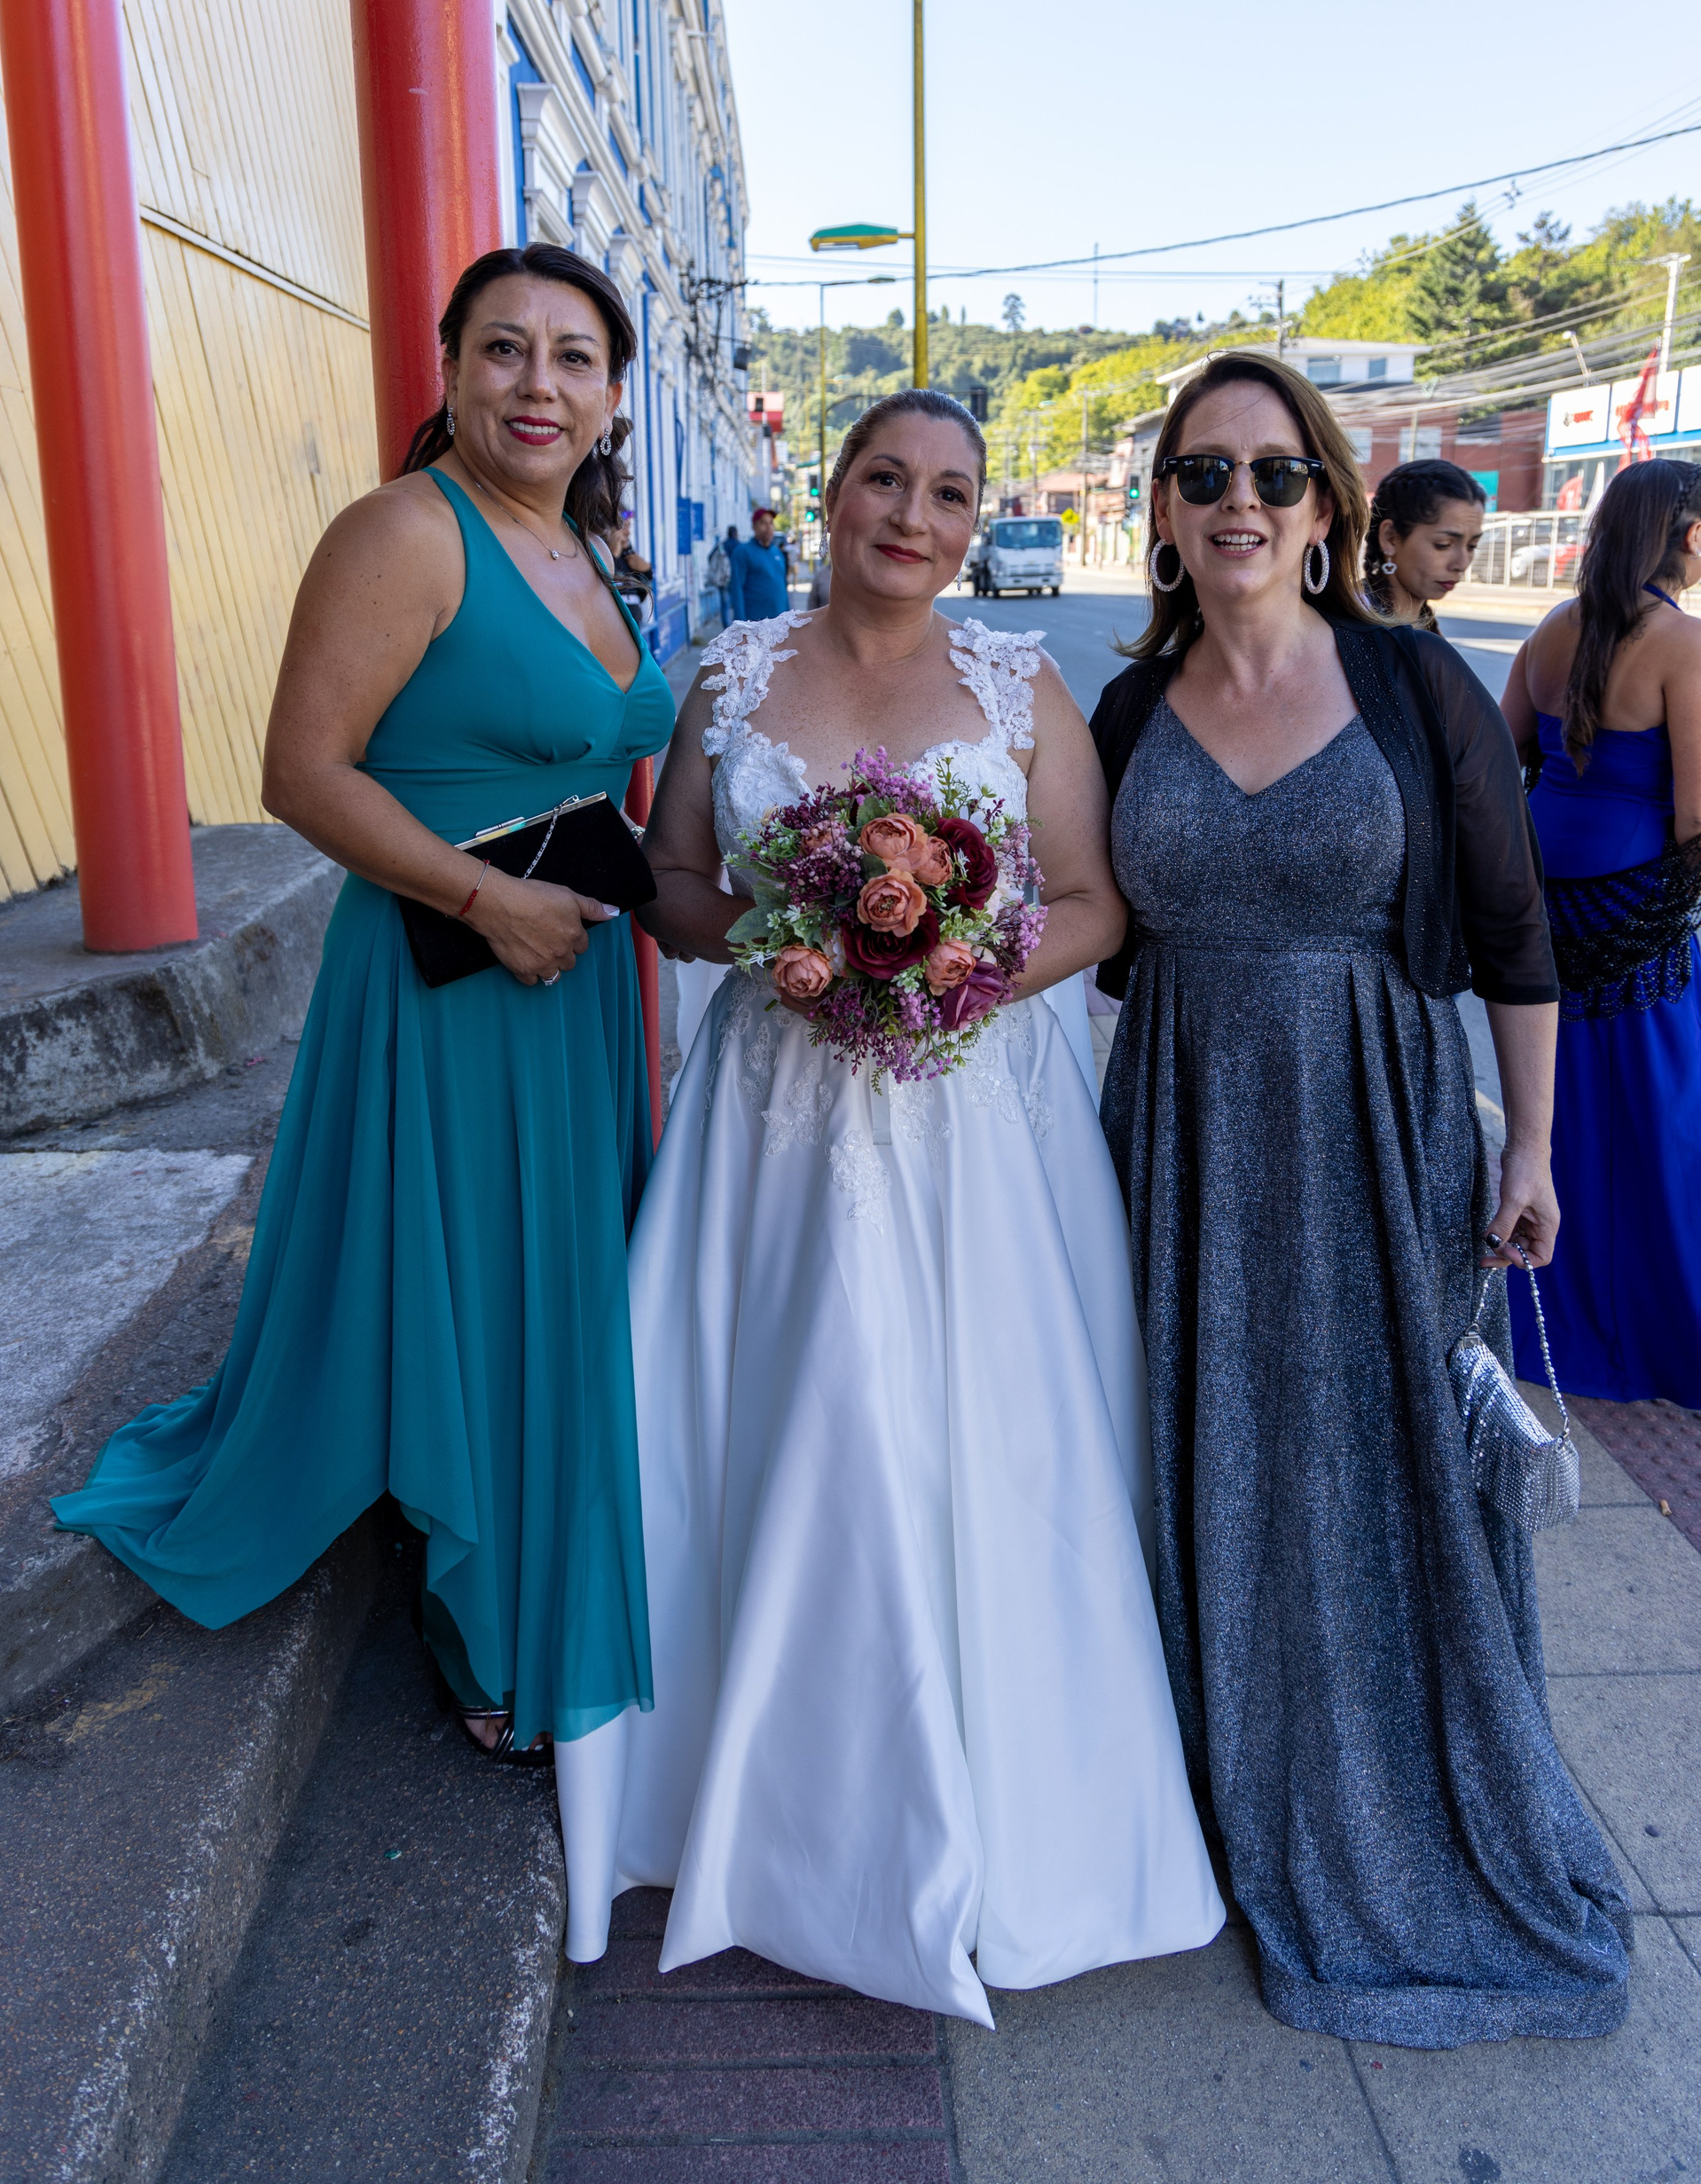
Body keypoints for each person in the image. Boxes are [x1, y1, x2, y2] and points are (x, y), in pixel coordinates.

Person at [52, 246, 676, 1960]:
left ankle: (551, 1558)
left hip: (576, 987)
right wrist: (490, 901)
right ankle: (490, 1619)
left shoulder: (585, 548)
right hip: (451, 978)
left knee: (557, 1294)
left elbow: (595, 766)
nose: (538, 383)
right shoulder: (406, 531)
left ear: (612, 392)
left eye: (573, 356)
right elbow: (299, 769)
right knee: (479, 1289)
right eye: (505, 350)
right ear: (451, 367)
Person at [602, 388, 1224, 2023]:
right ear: (831, 491)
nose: (916, 516)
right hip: (772, 1114)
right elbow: (673, 881)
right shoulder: (732, 673)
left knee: (986, 1434)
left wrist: (949, 974)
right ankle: (764, 1785)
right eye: (887, 478)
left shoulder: (1021, 683)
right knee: (767, 1408)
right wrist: (784, 938)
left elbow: (1089, 902)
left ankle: (1007, 1790)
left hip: (973, 1122)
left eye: (952, 493)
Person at [1090, 348, 1629, 2047]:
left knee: (1378, 1459)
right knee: (1204, 1450)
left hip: (1381, 1126)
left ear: (1325, 501)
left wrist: (1530, 1148)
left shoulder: (1409, 680)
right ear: (1164, 508)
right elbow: (1067, 926)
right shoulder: (1127, 709)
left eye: (1272, 471)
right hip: (1179, 1132)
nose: (1238, 500)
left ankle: (1395, 1795)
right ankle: (1213, 1773)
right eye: (1203, 473)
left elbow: (1514, 927)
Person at [1501, 458, 1701, 1403]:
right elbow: (1695, 817)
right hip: (1638, 912)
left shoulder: (1551, 627)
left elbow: (1499, 760)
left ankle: (1559, 1327)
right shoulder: (1683, 643)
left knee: (1562, 1116)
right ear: (1688, 535)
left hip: (1549, 899)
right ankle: (1662, 1333)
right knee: (1663, 1118)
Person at [1362, 457, 1489, 627]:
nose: (1461, 564)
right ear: (1390, 538)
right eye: (1443, 545)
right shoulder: (1342, 628)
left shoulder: (1426, 630)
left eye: (1472, 546)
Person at [728, 503, 790, 619]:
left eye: (771, 523)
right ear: (754, 527)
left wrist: (789, 617)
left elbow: (782, 587)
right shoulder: (743, 552)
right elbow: (736, 588)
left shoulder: (777, 553)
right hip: (755, 621)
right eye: (763, 523)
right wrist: (740, 623)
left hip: (779, 621)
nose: (768, 527)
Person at [705, 526, 734, 629]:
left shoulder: (722, 545)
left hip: (722, 579)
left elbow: (710, 557)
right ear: (736, 534)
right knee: (737, 603)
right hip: (736, 580)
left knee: (724, 604)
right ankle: (738, 626)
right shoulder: (739, 546)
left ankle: (727, 627)